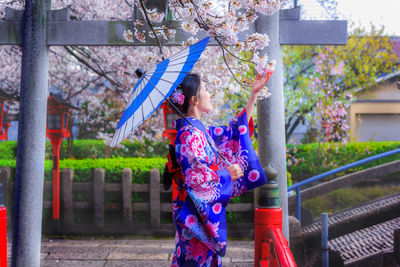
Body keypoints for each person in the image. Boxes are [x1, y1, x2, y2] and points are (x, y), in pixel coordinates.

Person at [168, 71, 273, 267]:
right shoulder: (189, 135)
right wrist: (227, 174)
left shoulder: (198, 131)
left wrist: (253, 95)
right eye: (205, 90)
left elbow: (234, 132)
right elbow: (196, 180)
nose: (209, 94)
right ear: (194, 100)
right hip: (194, 216)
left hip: (197, 215)